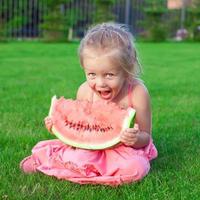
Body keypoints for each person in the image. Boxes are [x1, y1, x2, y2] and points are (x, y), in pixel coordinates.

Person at [20, 23, 157, 186]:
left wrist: (134, 139)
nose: (100, 83)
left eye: (109, 75)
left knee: (136, 167)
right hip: (90, 149)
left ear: (127, 69)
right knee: (78, 156)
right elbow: (82, 131)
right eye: (91, 74)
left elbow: (146, 138)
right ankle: (87, 170)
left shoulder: (137, 93)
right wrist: (57, 126)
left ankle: (72, 170)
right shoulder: (85, 91)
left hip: (124, 151)